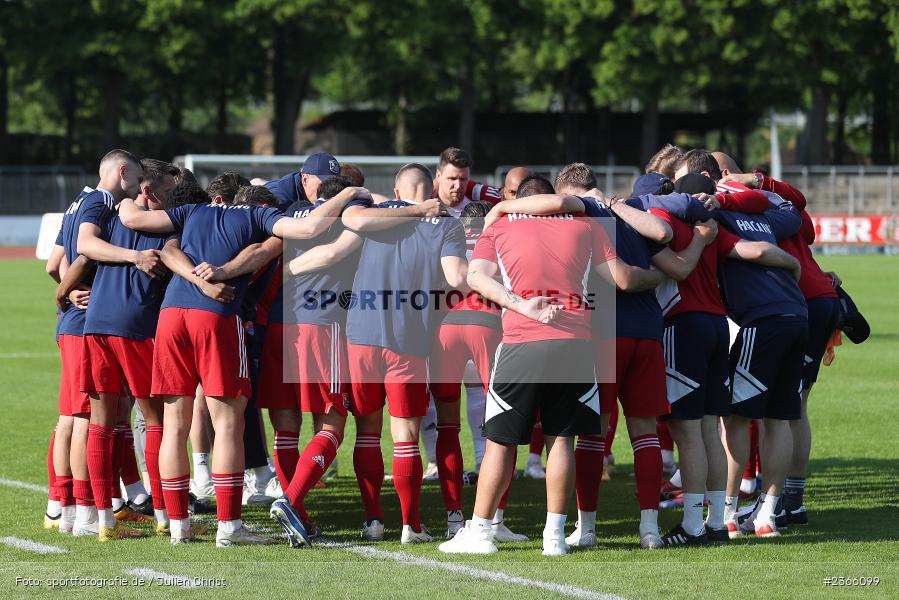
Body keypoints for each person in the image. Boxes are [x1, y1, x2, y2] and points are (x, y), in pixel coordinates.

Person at [118, 180, 373, 546]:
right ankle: (229, 526)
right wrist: (348, 194)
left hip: (171, 315)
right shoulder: (259, 216)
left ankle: (177, 526)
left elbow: (150, 231)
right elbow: (303, 230)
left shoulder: (194, 211)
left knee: (175, 423)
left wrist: (123, 193)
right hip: (217, 317)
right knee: (227, 423)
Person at [441, 175, 662, 556]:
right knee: (563, 439)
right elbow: (624, 278)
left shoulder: (499, 227)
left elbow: (472, 277)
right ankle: (555, 537)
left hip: (521, 342)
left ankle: (479, 533)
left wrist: (517, 303)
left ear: (521, 201)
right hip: (576, 342)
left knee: (500, 441)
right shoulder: (587, 226)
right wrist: (661, 274)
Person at [56, 159, 183, 540]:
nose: (172, 199)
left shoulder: (113, 216)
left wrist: (62, 294)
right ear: (149, 189)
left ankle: (102, 520)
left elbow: (81, 257)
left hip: (95, 324)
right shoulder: (166, 225)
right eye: (168, 192)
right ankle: (163, 512)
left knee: (101, 421)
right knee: (156, 418)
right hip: (134, 325)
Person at [340, 168, 468, 545]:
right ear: (431, 190)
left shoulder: (372, 215)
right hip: (409, 336)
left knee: (366, 432)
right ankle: (411, 526)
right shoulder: (446, 224)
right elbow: (456, 279)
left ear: (395, 189)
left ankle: (374, 520)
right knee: (406, 437)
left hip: (360, 335)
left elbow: (355, 219)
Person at [714, 152, 840, 525]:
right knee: (788, 409)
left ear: (720, 175)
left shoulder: (736, 208)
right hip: (807, 303)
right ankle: (786, 502)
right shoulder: (772, 204)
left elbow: (795, 222)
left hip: (789, 303)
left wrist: (746, 187)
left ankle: (746, 507)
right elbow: (803, 222)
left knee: (752, 413)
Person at [51, 150, 151, 537]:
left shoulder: (78, 200)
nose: (139, 188)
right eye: (136, 178)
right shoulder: (101, 201)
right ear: (122, 172)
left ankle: (75, 511)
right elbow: (88, 247)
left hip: (75, 319)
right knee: (83, 419)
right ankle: (83, 515)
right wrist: (134, 256)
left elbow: (55, 261)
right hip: (83, 322)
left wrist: (66, 288)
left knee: (78, 418)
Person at [428, 199, 527, 542]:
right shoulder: (501, 237)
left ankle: (455, 517)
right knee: (504, 427)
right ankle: (495, 520)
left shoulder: (446, 236)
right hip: (488, 322)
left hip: (446, 327)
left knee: (447, 426)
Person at [433, 147, 501, 217]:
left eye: (463, 179)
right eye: (452, 178)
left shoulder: (482, 209)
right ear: (438, 176)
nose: (458, 186)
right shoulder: (424, 206)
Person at [264, 152, 341, 209]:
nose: (331, 189)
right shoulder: (279, 200)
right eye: (324, 185)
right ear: (305, 180)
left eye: (335, 183)